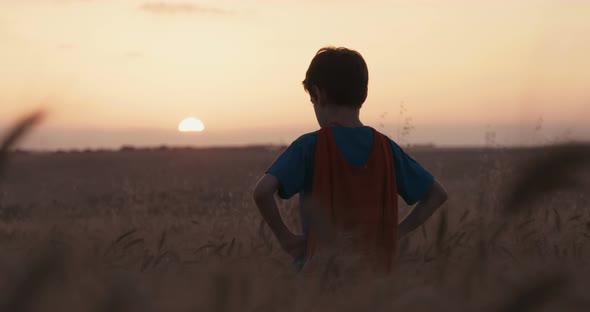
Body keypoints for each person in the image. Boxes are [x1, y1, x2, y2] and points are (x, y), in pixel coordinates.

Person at [252, 47, 448, 273]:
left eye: (312, 101)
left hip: (321, 277)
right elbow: (437, 194)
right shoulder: (386, 148)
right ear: (363, 95)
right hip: (375, 278)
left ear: (319, 94)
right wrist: (397, 232)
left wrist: (286, 239)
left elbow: (262, 191)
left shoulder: (310, 146)